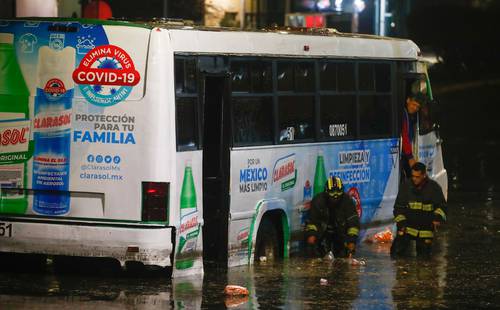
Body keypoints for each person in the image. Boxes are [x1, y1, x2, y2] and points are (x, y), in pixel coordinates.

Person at [391, 162, 447, 257]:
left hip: (425, 230)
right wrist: (401, 224)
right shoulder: (406, 186)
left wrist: (437, 218)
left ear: (424, 175)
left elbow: (442, 207)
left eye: (417, 177)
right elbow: (398, 208)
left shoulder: (434, 188)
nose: (414, 179)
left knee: (424, 260)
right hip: (407, 228)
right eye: (413, 176)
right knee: (396, 254)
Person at [305, 175, 360, 258]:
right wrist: (311, 238)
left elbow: (353, 224)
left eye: (338, 192)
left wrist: (351, 243)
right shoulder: (318, 201)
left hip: (341, 235)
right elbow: (312, 222)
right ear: (326, 192)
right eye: (332, 192)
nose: (335, 196)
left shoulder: (347, 201)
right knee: (316, 255)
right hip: (322, 235)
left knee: (342, 259)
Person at [401, 92, 426, 178]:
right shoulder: (403, 115)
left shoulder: (412, 117)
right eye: (414, 104)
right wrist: (410, 157)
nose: (415, 108)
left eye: (418, 107)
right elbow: (404, 136)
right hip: (404, 155)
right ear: (408, 100)